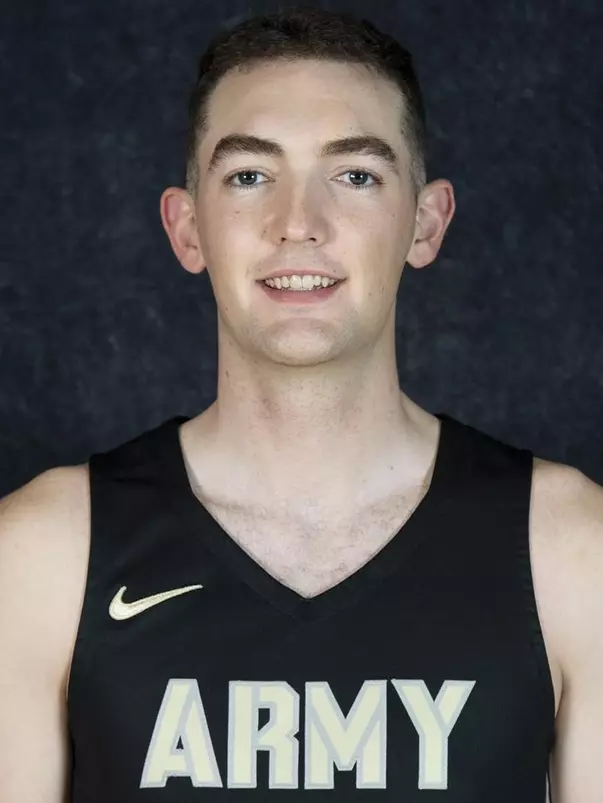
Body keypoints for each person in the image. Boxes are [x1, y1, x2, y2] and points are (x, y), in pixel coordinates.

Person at [1, 5, 602, 801]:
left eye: (355, 175)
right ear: (187, 228)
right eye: (250, 175)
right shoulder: (40, 555)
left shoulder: (570, 551)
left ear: (425, 223)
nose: (298, 225)